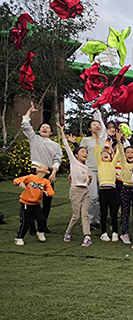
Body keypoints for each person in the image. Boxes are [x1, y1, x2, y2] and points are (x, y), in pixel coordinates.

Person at [21, 102, 62, 232]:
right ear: (39, 131)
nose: (45, 128)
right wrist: (29, 112)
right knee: (33, 200)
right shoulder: (34, 139)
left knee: (47, 200)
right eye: (42, 127)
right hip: (35, 172)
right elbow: (25, 125)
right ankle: (31, 226)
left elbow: (57, 159)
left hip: (49, 174)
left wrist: (54, 172)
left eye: (47, 127)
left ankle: (42, 226)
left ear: (51, 132)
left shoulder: (55, 145)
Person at [57, 123, 93, 246]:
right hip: (75, 191)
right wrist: (62, 132)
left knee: (85, 215)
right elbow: (66, 146)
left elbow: (87, 181)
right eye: (82, 151)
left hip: (85, 191)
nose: (85, 153)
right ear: (76, 155)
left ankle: (87, 236)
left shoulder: (86, 167)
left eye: (86, 152)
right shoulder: (74, 162)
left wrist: (89, 179)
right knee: (76, 215)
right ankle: (68, 232)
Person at [14, 165, 55, 245]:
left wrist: (48, 193)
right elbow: (16, 180)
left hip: (36, 204)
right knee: (26, 221)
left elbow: (51, 192)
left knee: (41, 219)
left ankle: (40, 231)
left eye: (43, 166)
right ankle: (19, 237)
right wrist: (20, 182)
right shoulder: (31, 177)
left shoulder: (46, 182)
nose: (39, 166)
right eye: (39, 166)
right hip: (26, 203)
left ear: (47, 172)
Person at [96, 132, 124, 242]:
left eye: (107, 154)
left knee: (113, 213)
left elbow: (119, 152)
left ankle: (115, 232)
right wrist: (98, 139)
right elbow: (98, 150)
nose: (105, 154)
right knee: (103, 213)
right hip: (103, 191)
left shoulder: (112, 164)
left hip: (113, 191)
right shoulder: (99, 164)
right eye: (103, 154)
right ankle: (103, 232)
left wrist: (118, 140)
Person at [118, 146, 133, 244]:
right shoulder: (124, 163)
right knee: (125, 211)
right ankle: (124, 233)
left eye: (132, 152)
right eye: (128, 153)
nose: (130, 154)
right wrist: (118, 141)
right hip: (125, 188)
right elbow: (120, 152)